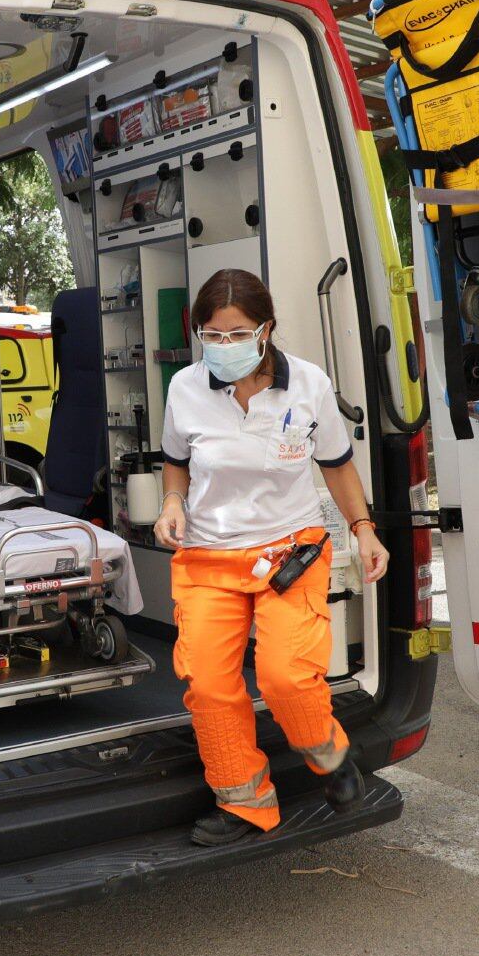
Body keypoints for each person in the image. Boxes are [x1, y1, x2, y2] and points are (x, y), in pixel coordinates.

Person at [157, 269, 390, 846]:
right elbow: (175, 461)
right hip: (209, 557)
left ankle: (331, 756)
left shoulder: (308, 385)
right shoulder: (185, 387)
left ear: (265, 330)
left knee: (286, 677)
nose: (223, 347)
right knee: (209, 685)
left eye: (235, 335)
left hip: (289, 554)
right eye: (210, 336)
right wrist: (171, 501)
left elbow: (336, 464)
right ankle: (245, 803)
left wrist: (363, 529)